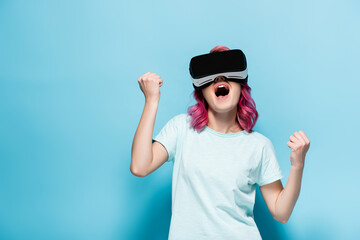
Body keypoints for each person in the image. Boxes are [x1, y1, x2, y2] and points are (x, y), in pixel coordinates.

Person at [130, 45, 310, 240]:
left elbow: (280, 212)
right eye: (211, 75)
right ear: (202, 91)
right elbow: (140, 166)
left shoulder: (259, 145)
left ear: (242, 86)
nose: (220, 79)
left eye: (228, 72)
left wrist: (297, 165)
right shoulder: (181, 129)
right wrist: (151, 100)